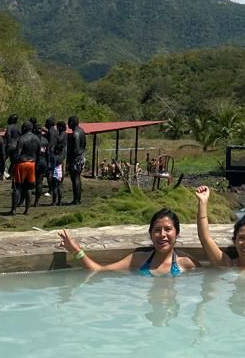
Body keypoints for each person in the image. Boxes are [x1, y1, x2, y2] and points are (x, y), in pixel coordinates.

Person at [58, 208, 198, 275]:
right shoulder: (138, 259)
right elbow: (99, 270)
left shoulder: (186, 263)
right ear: (150, 234)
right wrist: (76, 251)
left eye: (168, 229)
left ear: (177, 233)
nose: (162, 235)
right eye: (157, 230)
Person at [10, 120, 39, 215]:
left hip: (22, 163)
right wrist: (36, 166)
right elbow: (38, 154)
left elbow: (18, 153)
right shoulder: (37, 139)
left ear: (24, 128)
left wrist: (13, 165)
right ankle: (26, 210)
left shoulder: (22, 138)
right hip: (32, 164)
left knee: (17, 187)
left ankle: (13, 209)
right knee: (29, 188)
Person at [66, 115, 86, 205]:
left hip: (76, 159)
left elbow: (76, 149)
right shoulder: (82, 131)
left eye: (69, 122)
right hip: (81, 157)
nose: (68, 124)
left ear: (72, 122)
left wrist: (70, 159)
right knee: (77, 178)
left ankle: (76, 200)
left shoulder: (75, 133)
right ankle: (78, 199)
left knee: (75, 179)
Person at [49, 120, 67, 206]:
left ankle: (54, 202)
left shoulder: (63, 134)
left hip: (58, 163)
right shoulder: (63, 135)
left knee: (55, 185)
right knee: (59, 185)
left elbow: (59, 139)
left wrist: (54, 133)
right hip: (59, 163)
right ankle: (58, 201)